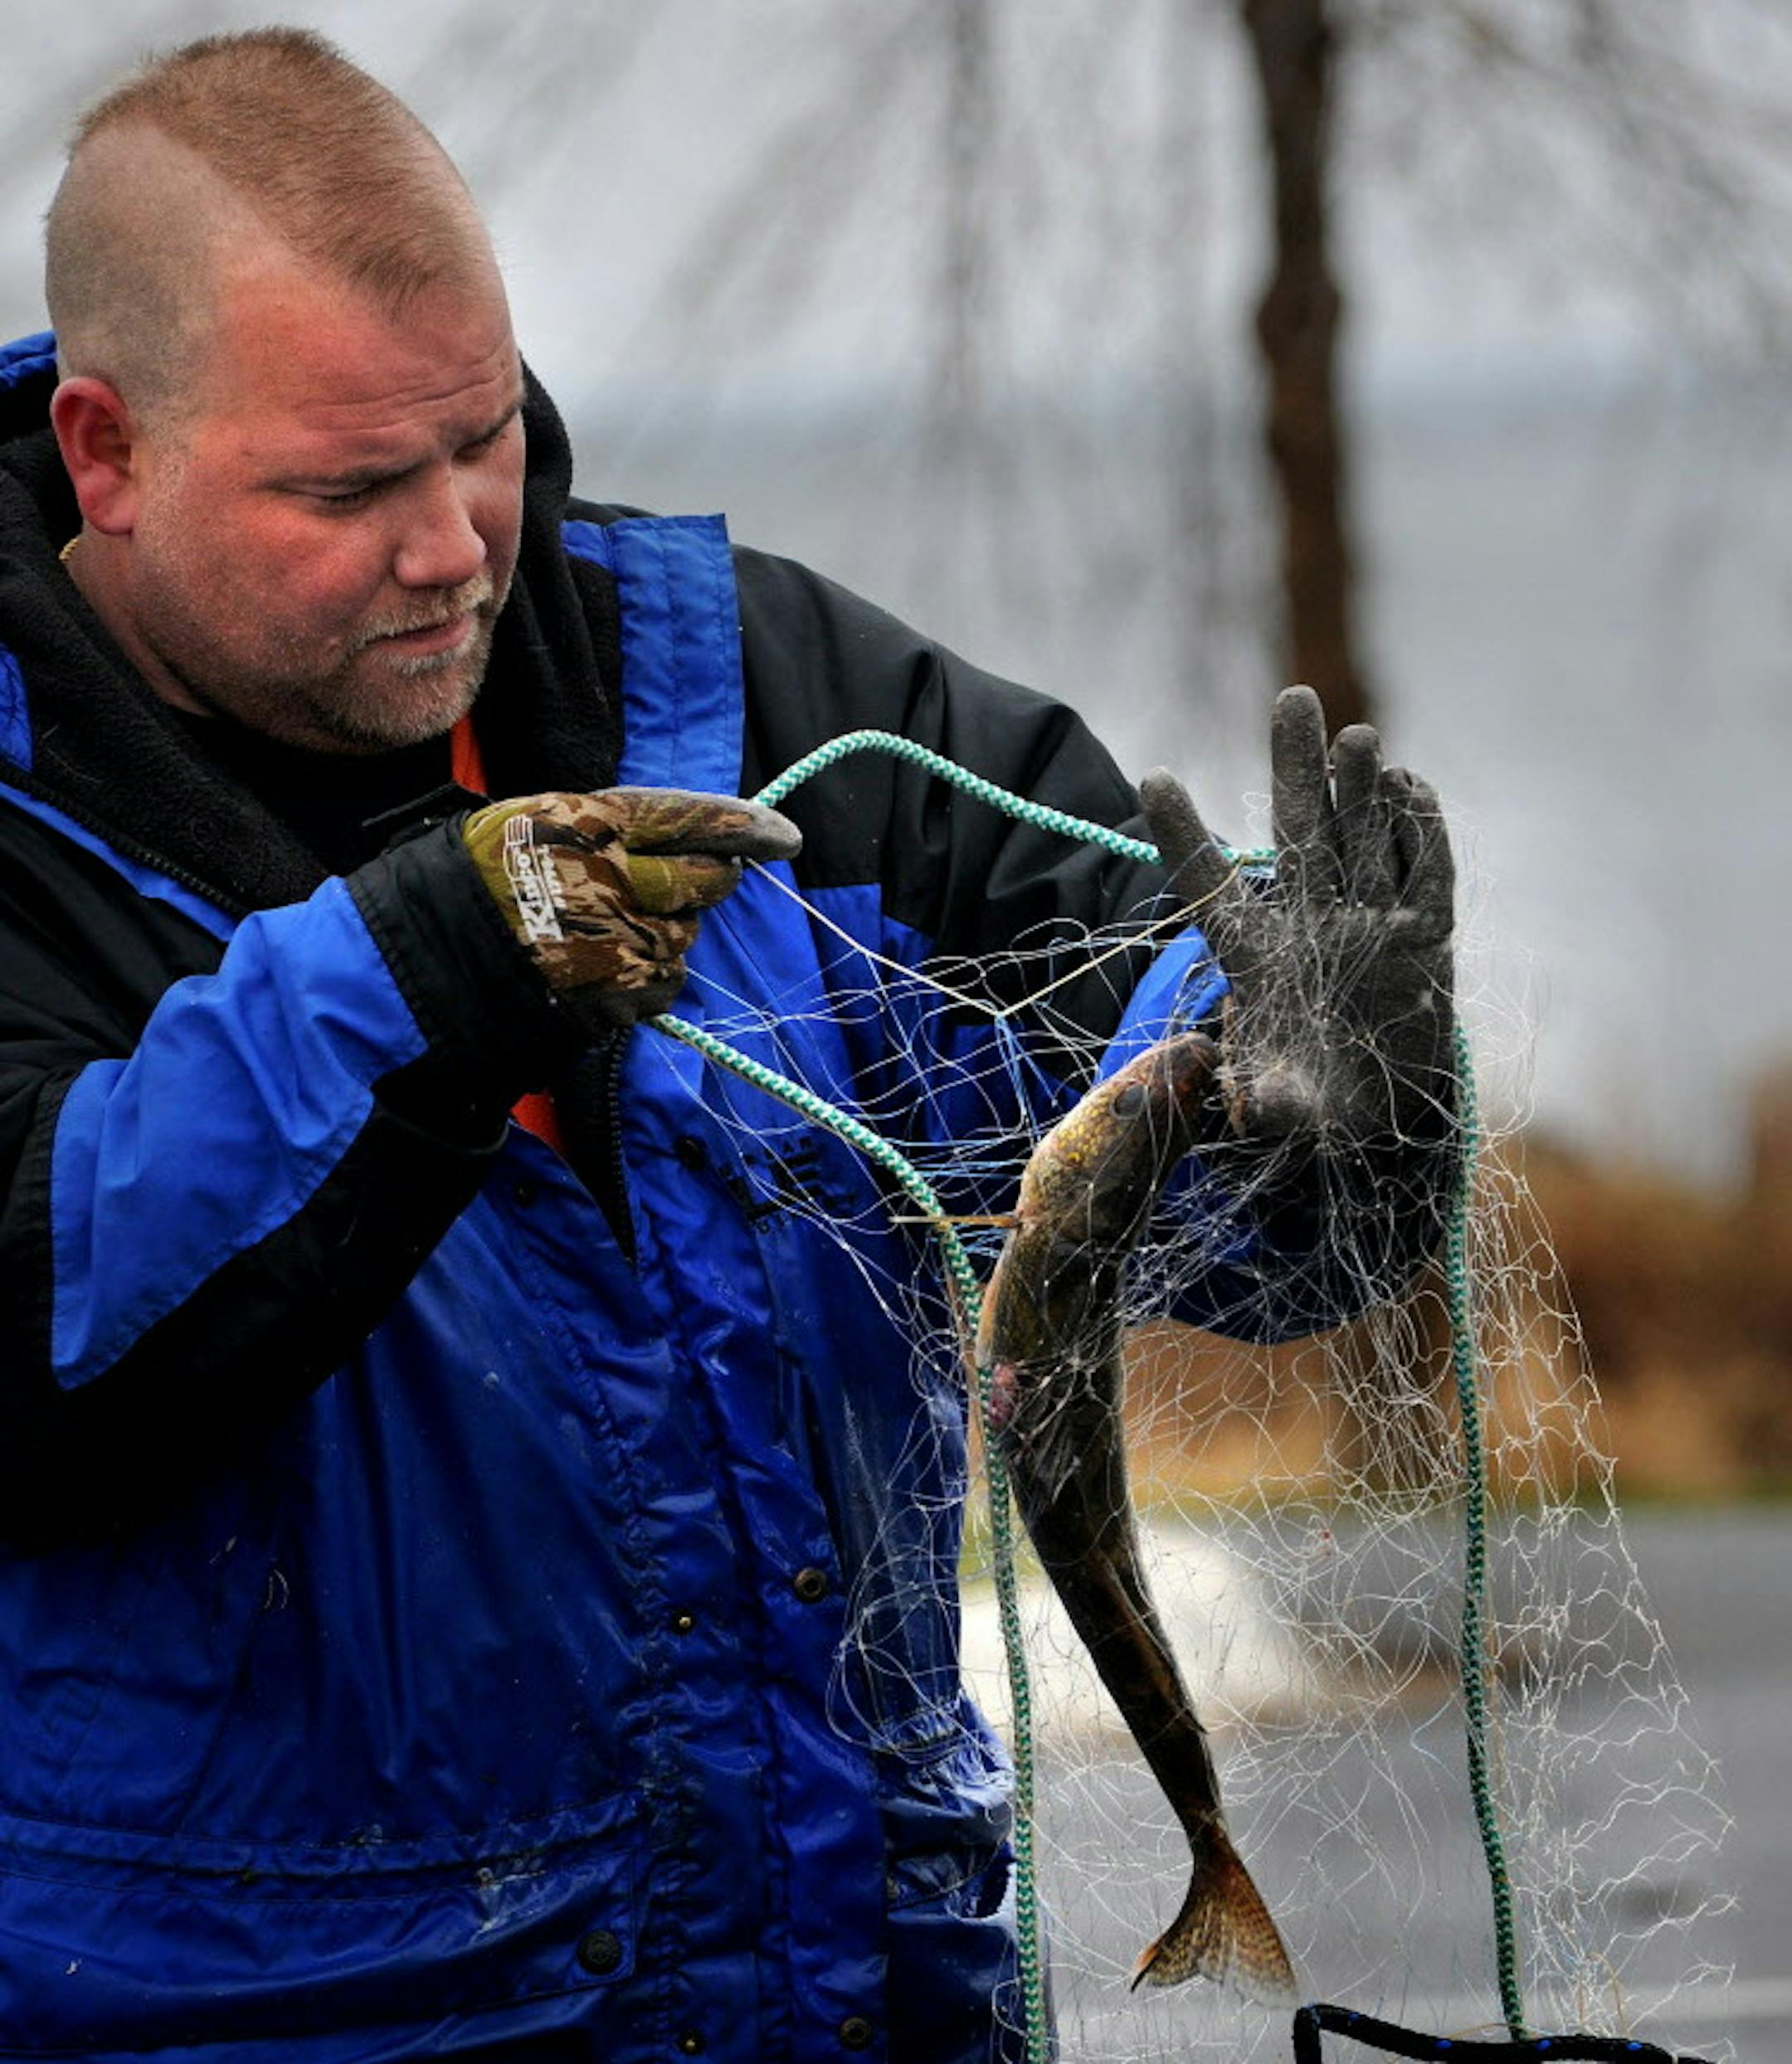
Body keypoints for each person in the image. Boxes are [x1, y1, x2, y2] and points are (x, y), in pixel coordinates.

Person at [0, 28, 1456, 2064]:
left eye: (482, 437)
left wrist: (1332, 1114)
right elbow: (41, 1343)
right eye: (348, 485)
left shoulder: (745, 683)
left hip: (858, 2004)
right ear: (107, 450)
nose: (453, 550)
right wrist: (436, 954)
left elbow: (1147, 1058)